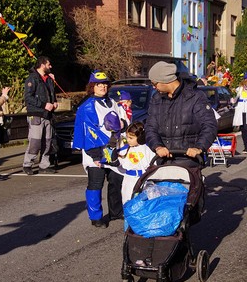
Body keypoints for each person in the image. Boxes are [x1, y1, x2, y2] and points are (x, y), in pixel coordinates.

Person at [72, 70, 129, 228]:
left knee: (116, 181)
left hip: (113, 150)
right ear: (92, 86)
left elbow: (124, 119)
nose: (102, 87)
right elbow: (86, 133)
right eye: (99, 84)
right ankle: (96, 217)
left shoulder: (112, 102)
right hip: (95, 151)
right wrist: (96, 156)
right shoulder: (87, 106)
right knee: (96, 184)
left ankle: (116, 211)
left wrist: (122, 124)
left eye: (105, 84)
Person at [145, 61, 217, 167]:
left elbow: (209, 125)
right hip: (163, 162)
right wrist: (157, 146)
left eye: (154, 84)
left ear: (165, 80)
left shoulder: (195, 97)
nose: (154, 87)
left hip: (189, 162)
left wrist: (199, 148)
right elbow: (150, 127)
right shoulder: (156, 99)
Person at [104, 122, 156, 204]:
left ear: (140, 137)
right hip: (129, 180)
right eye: (127, 137)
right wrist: (112, 150)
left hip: (144, 179)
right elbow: (116, 162)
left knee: (144, 203)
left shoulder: (147, 149)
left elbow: (153, 164)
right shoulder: (125, 149)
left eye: (131, 138)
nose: (128, 140)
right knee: (127, 201)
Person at [22, 56, 58, 175]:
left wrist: (54, 102)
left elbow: (51, 94)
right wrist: (43, 105)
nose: (50, 66)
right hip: (36, 114)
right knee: (35, 141)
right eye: (48, 64)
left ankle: (44, 165)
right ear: (42, 65)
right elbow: (28, 97)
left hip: (47, 115)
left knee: (47, 141)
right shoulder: (32, 79)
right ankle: (27, 164)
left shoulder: (48, 79)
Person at [232, 72, 247, 154]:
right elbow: (235, 99)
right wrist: (233, 100)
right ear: (246, 80)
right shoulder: (239, 89)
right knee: (243, 129)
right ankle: (245, 146)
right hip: (241, 110)